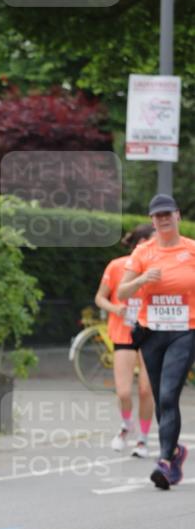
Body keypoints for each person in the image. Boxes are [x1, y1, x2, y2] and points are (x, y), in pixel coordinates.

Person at [118, 194, 195, 490]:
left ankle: (164, 461)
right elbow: (123, 293)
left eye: (167, 214)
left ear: (177, 215)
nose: (163, 219)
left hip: (185, 331)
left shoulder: (190, 249)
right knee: (164, 400)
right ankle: (175, 452)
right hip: (152, 333)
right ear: (152, 220)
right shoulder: (143, 252)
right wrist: (141, 281)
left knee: (167, 394)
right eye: (157, 215)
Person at [94, 224, 155, 457]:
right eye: (150, 241)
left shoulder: (159, 269)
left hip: (151, 333)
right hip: (124, 332)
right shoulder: (117, 266)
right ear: (139, 244)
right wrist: (115, 308)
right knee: (123, 392)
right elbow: (100, 297)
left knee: (146, 390)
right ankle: (126, 425)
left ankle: (143, 439)